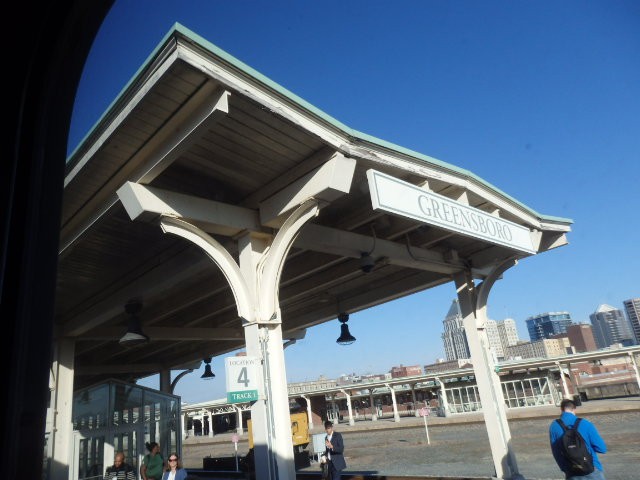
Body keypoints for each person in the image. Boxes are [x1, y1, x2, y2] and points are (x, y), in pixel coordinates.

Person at [549, 398, 607, 480]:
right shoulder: (585, 423)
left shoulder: (554, 426)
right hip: (592, 468)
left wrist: (565, 469)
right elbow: (602, 449)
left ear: (561, 409)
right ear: (574, 409)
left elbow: (556, 453)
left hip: (571, 470)